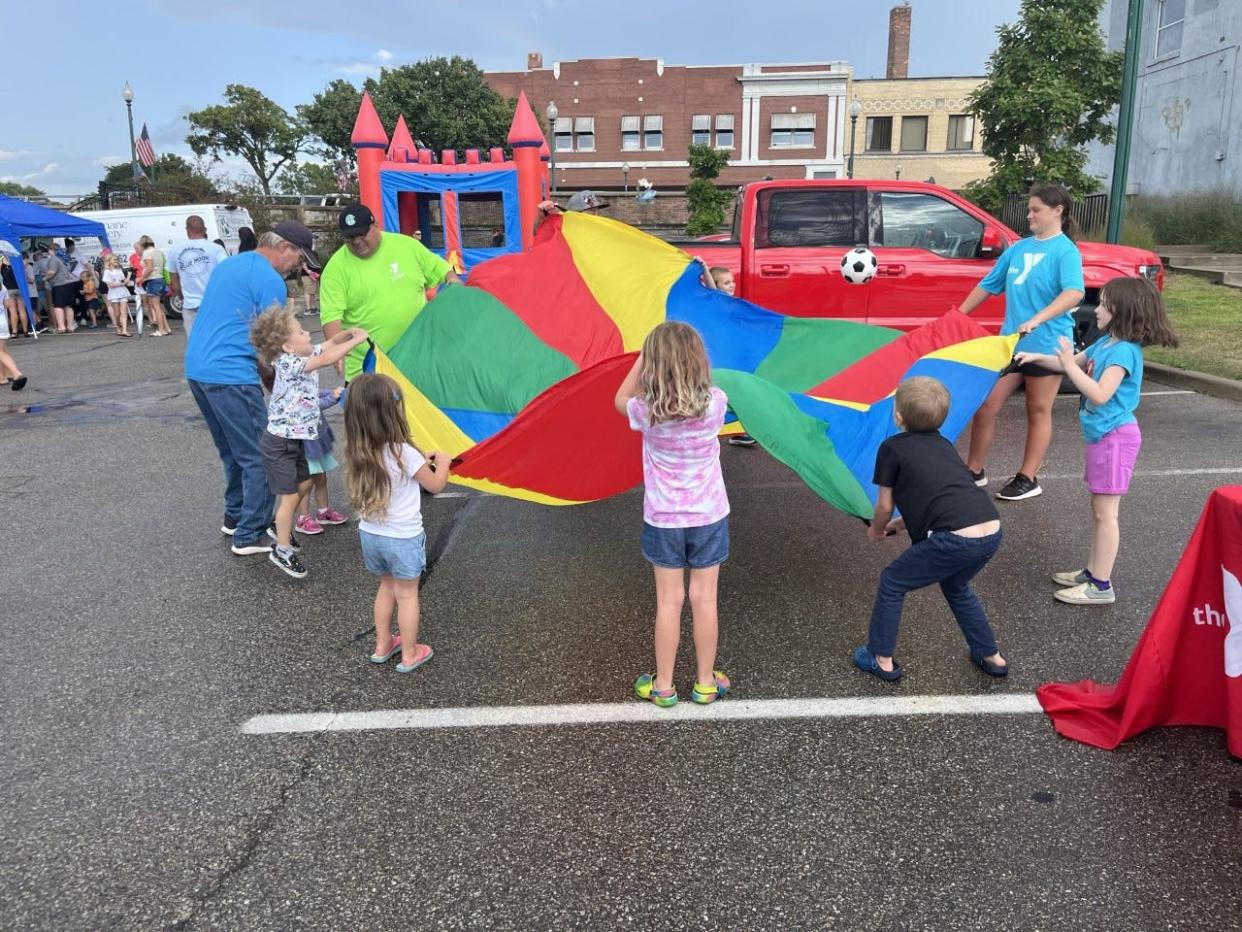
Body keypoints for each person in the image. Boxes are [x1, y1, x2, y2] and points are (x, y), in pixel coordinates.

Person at [1013, 278, 1179, 605]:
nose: (1097, 309)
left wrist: (1065, 363)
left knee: (1106, 514)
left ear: (1122, 311)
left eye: (1103, 304)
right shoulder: (1105, 343)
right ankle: (1092, 572)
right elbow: (1068, 364)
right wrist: (1033, 357)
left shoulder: (1123, 353)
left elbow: (1100, 394)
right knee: (1099, 509)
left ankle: (1100, 586)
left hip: (1116, 438)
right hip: (1104, 438)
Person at [854, 376, 1007, 682]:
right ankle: (991, 656)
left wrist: (877, 530)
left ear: (898, 416)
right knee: (956, 585)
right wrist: (899, 526)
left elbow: (884, 505)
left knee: (893, 581)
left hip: (953, 538)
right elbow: (933, 498)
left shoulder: (891, 449)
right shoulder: (944, 445)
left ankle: (880, 657)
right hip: (990, 529)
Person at [184, 221, 321, 558]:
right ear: (285, 248)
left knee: (233, 451)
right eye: (299, 259)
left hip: (199, 369)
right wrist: (278, 379)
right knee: (261, 454)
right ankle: (251, 533)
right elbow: (277, 341)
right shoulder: (270, 281)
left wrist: (263, 371)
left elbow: (235, 325)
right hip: (231, 373)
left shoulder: (230, 264)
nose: (298, 268)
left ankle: (235, 515)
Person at [614, 321, 732, 708]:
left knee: (669, 602)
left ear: (653, 365)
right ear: (698, 360)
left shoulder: (645, 411)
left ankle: (663, 685)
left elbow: (619, 399)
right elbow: (707, 390)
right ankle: (704, 682)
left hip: (663, 519)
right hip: (709, 516)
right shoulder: (715, 402)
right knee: (704, 599)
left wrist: (641, 360)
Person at [962, 184, 1086, 501]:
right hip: (1011, 344)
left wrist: (1038, 318)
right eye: (1029, 209)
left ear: (1057, 211)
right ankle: (973, 472)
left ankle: (1028, 478)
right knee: (987, 405)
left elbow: (1074, 293)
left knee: (1037, 409)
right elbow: (988, 285)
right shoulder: (1017, 249)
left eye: (1036, 210)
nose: (1029, 215)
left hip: (1048, 344)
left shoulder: (1065, 251)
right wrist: (958, 315)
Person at [249, 304, 368, 578]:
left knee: (304, 483)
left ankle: (277, 523)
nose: (307, 333)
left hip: (297, 439)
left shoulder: (300, 353)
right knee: (290, 495)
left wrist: (347, 333)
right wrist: (357, 341)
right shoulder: (290, 364)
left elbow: (327, 344)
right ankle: (282, 550)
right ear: (288, 347)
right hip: (279, 442)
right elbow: (326, 359)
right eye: (301, 331)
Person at [343, 373, 451, 673]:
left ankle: (382, 644)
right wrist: (442, 464)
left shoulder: (358, 450)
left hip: (371, 535)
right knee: (407, 594)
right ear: (393, 411)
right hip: (402, 538)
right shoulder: (404, 452)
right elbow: (435, 485)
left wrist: (419, 460)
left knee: (386, 586)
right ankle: (410, 652)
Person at [319, 203, 461, 382]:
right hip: (368, 371)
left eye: (362, 234)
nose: (356, 241)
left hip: (417, 361)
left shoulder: (406, 246)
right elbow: (331, 317)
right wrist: (335, 351)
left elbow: (440, 269)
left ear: (375, 226)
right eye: (349, 237)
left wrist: (453, 280)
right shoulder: (335, 269)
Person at [699, 262, 757, 448]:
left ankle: (744, 430)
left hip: (734, 358)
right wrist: (704, 269)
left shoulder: (732, 304)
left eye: (732, 281)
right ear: (716, 286)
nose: (732, 285)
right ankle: (706, 429)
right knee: (715, 393)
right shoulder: (715, 302)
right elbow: (711, 288)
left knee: (738, 394)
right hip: (718, 359)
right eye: (726, 283)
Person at [295, 387, 350, 536]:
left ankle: (323, 512)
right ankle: (303, 518)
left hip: (315, 440)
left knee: (321, 479)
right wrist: (331, 397)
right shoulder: (291, 387)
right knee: (306, 483)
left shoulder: (305, 382)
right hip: (305, 443)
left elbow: (315, 392)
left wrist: (331, 392)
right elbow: (309, 405)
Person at [168, 215, 229, 337]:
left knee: (194, 341)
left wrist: (182, 296)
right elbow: (226, 275)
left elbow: (174, 281)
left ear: (187, 230)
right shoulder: (216, 249)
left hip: (190, 304)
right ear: (205, 230)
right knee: (215, 339)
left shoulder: (175, 250)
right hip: (213, 303)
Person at [532, 190, 608, 236]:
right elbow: (540, 236)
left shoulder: (600, 232)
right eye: (591, 212)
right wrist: (541, 217)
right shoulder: (564, 232)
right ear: (574, 215)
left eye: (597, 211)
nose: (596, 216)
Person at [138, 235, 172, 337]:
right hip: (161, 278)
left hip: (152, 279)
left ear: (142, 243)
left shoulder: (147, 253)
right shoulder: (159, 251)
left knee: (155, 305)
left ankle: (161, 330)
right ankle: (166, 328)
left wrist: (141, 278)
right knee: (158, 306)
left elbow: (149, 268)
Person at [43, 245, 76, 333]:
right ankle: (70, 326)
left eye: (48, 250)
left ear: (51, 250)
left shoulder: (53, 259)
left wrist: (45, 278)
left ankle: (61, 327)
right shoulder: (64, 258)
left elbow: (52, 272)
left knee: (58, 306)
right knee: (68, 306)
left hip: (60, 284)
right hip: (70, 283)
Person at [0, 289, 27, 390]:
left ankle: (15, 373)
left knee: (0, 352)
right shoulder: (3, 286)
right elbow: (7, 304)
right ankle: (4, 376)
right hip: (2, 320)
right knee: (2, 351)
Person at [102, 255, 132, 337]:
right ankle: (118, 327)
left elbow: (124, 282)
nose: (116, 261)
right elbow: (110, 285)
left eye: (117, 259)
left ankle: (124, 330)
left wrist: (128, 276)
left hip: (122, 292)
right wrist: (120, 283)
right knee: (117, 313)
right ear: (109, 261)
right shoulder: (107, 272)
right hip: (114, 293)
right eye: (114, 259)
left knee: (124, 312)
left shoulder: (119, 270)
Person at [1, 255, 29, 339]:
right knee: (22, 310)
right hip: (19, 288)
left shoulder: (2, 263)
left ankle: (14, 332)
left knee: (13, 311)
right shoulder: (18, 261)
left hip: (9, 289)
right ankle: (25, 331)